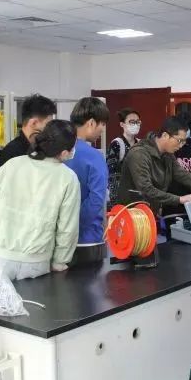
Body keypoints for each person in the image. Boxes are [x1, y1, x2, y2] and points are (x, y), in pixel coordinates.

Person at [0, 119, 80, 279]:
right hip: (34, 262)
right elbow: (67, 228)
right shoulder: (68, 178)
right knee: (31, 297)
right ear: (64, 153)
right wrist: (59, 261)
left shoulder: (11, 165)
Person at [118, 116, 191, 213]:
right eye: (179, 140)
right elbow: (146, 189)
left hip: (148, 212)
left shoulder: (167, 154)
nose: (181, 145)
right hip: (131, 214)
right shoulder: (139, 154)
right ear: (165, 135)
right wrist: (179, 199)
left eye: (184, 141)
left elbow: (182, 174)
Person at [65, 97, 109, 266]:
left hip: (57, 240)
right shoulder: (94, 156)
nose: (102, 130)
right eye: (102, 124)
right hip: (87, 240)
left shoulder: (57, 151)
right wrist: (75, 225)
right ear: (91, 123)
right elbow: (96, 199)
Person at [0, 94, 56, 176]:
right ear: (33, 123)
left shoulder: (40, 149)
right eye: (48, 124)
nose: (50, 129)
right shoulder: (12, 154)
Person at [107, 108, 141, 208]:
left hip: (139, 196)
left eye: (138, 122)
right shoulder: (117, 144)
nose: (135, 125)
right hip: (122, 198)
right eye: (132, 122)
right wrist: (116, 203)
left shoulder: (141, 144)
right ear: (122, 124)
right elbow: (112, 175)